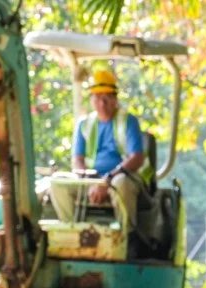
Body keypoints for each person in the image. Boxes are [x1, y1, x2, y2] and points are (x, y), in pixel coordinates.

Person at [48, 68, 145, 233]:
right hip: (91, 179)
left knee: (121, 184)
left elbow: (136, 158)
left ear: (115, 99)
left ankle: (127, 236)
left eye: (107, 98)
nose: (102, 103)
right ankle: (72, 232)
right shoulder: (84, 124)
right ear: (92, 99)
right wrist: (90, 180)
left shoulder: (128, 122)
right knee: (57, 182)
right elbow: (77, 159)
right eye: (98, 97)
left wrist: (106, 181)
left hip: (119, 177)